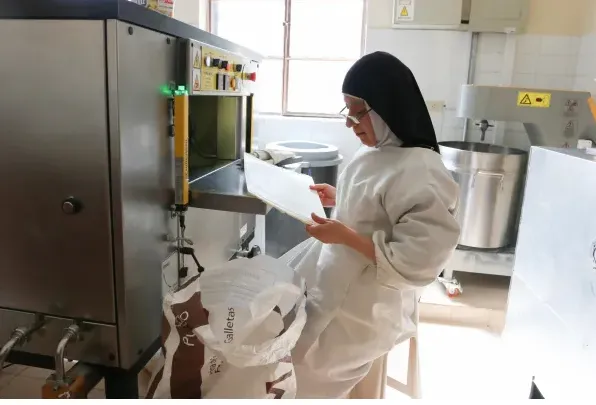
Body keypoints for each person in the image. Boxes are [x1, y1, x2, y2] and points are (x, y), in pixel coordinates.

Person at [290, 51, 461, 399]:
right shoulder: (376, 150)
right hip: (336, 278)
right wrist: (339, 199)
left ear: (387, 107)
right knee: (291, 348)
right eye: (348, 114)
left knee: (310, 373)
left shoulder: (423, 170)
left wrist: (345, 236)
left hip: (369, 303)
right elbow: (381, 207)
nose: (350, 125)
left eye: (357, 114)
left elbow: (419, 260)